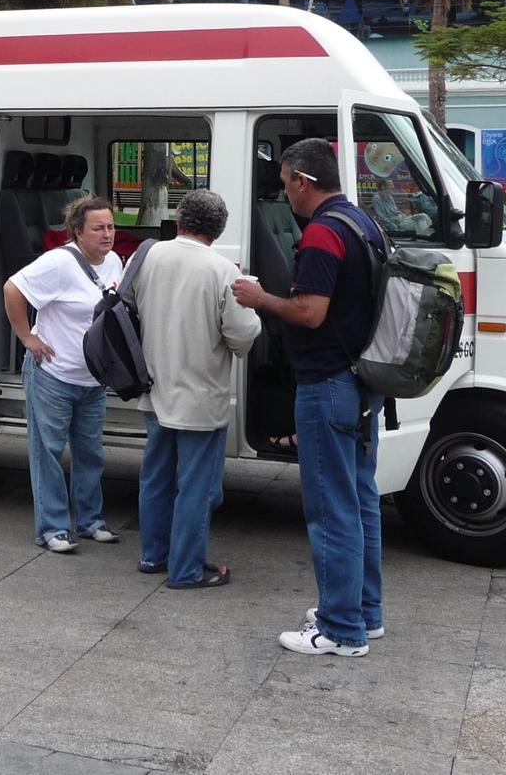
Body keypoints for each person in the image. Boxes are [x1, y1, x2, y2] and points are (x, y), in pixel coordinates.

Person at [231, 138, 385, 657]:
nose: (284, 193)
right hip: (362, 381)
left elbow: (309, 312)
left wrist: (260, 299)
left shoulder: (321, 233)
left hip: (326, 385)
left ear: (301, 178)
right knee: (361, 501)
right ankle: (365, 611)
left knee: (330, 510)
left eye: (285, 182)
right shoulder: (362, 222)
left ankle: (341, 630)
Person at [123, 190, 261, 589]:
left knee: (156, 477)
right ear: (217, 230)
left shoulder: (145, 256)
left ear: (179, 219)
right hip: (200, 396)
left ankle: (154, 556)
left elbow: (128, 306)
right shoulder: (223, 271)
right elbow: (242, 336)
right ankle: (186, 570)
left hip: (153, 387)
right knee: (196, 487)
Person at [4, 195, 123, 553]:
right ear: (77, 232)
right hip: (53, 376)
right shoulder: (58, 262)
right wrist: (28, 337)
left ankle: (90, 521)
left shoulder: (114, 261)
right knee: (48, 454)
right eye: (98, 228)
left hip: (92, 379)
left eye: (111, 226)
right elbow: (13, 288)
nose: (108, 234)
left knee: (91, 454)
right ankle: (53, 528)